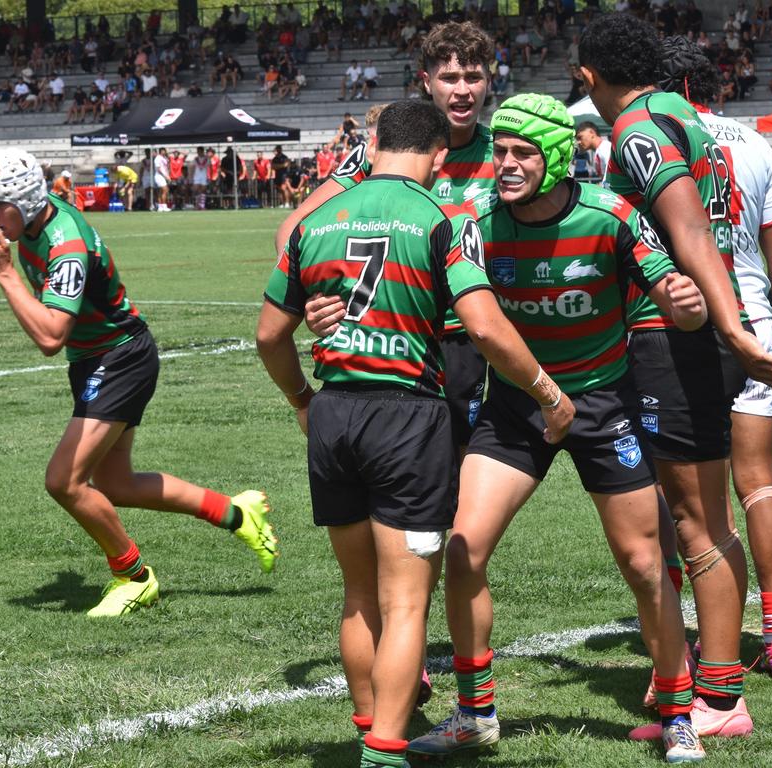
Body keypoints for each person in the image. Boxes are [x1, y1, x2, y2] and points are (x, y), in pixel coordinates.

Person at [255, 99, 573, 768]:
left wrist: (300, 398)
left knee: (358, 594)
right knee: (407, 602)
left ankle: (368, 720)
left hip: (334, 411)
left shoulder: (315, 223)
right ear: (436, 156)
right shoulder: (437, 219)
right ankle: (385, 750)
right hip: (405, 418)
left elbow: (269, 334)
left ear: (373, 145)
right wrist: (546, 390)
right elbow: (484, 328)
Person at [406, 93, 709, 764]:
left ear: (553, 157)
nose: (505, 165)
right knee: (464, 549)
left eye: (521, 154)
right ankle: (475, 712)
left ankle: (678, 709)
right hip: (518, 408)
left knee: (642, 563)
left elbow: (672, 297)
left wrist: (685, 306)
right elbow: (412, 284)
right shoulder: (475, 222)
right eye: (500, 152)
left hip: (603, 406)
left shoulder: (612, 215)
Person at [578, 13, 772, 739]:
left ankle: (722, 699)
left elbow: (692, 231)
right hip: (685, 337)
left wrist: (731, 324)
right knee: (697, 518)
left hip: (675, 342)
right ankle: (703, 686)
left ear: (589, 77)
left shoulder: (638, 130)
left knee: (696, 521)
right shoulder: (678, 112)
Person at [0, 149, 278, 617]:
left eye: (0, 206)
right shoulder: (35, 227)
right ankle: (236, 513)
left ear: (28, 199)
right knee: (114, 483)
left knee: (63, 480)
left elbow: (51, 336)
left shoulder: (64, 244)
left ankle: (133, 576)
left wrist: (5, 276)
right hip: (98, 359)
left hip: (118, 359)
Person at [284, 21, 500, 455]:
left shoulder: (503, 153)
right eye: (450, 77)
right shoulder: (381, 150)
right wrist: (315, 298)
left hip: (463, 340)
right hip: (392, 336)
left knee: (458, 467)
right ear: (426, 81)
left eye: (474, 77)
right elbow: (292, 229)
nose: (463, 91)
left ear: (489, 80)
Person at [660, 36, 772, 680]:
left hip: (686, 329)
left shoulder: (653, 138)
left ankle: (694, 638)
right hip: (754, 321)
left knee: (681, 499)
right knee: (759, 481)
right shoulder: (753, 143)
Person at [153, 146, 171, 211]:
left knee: (161, 191)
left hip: (163, 176)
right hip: (159, 176)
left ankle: (160, 207)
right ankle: (164, 206)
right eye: (163, 151)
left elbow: (167, 166)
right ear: (160, 151)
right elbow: (158, 169)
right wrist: (166, 176)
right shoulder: (157, 158)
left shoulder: (164, 158)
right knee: (165, 190)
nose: (165, 152)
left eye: (165, 151)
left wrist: (167, 175)